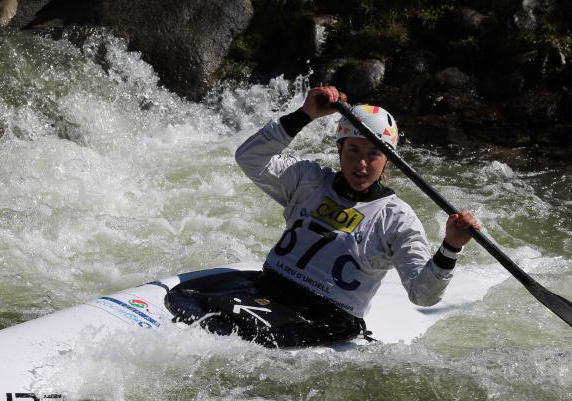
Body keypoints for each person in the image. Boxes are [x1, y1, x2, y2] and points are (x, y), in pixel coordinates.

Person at [166, 86, 480, 348]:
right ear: (340, 150)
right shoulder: (309, 180)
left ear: (388, 162)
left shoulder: (397, 219)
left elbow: (422, 294)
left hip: (323, 318)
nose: (362, 164)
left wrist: (451, 246)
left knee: (230, 331)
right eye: (354, 151)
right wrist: (306, 115)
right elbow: (249, 157)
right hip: (268, 289)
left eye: (374, 154)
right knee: (178, 299)